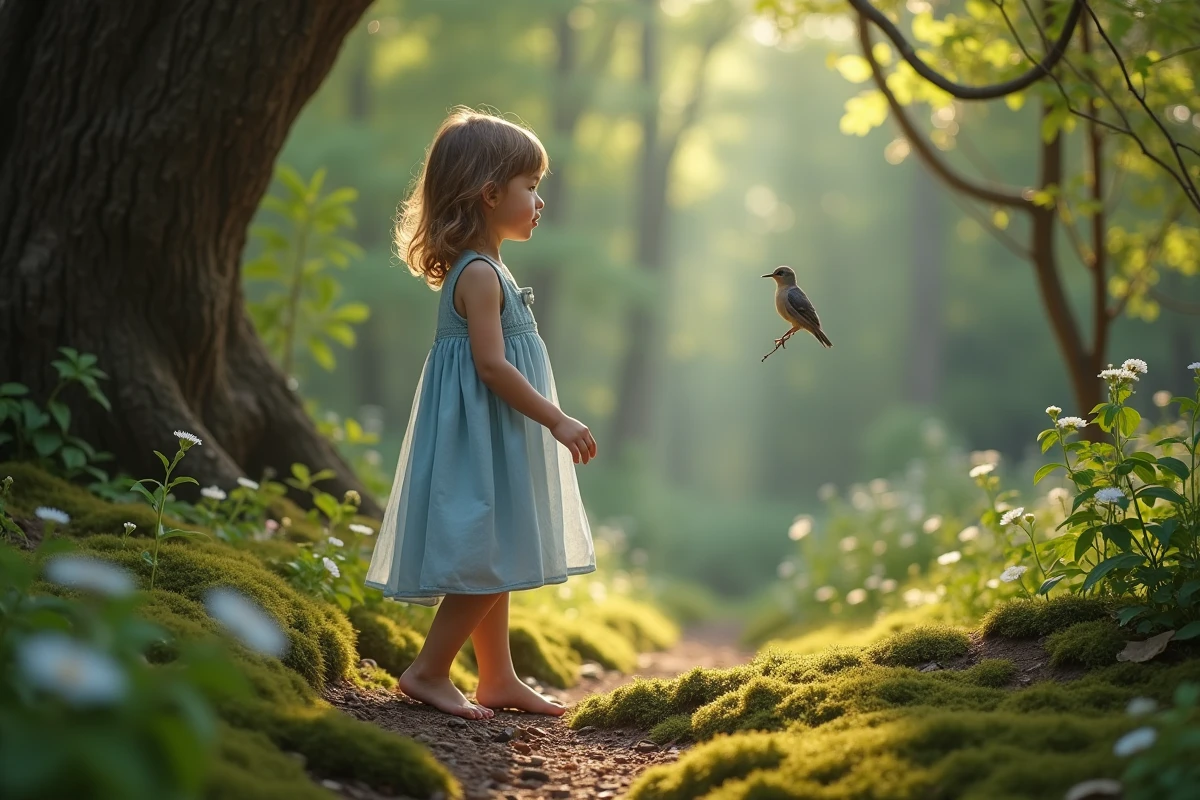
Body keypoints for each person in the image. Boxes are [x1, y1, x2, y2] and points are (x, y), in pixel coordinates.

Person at [365, 107, 598, 720]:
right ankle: (428, 670)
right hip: (482, 432)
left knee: (502, 550)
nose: (540, 200)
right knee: (496, 554)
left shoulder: (488, 267)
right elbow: (491, 367)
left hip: (494, 432)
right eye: (530, 187)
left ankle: (497, 677)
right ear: (491, 194)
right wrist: (557, 419)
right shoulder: (479, 275)